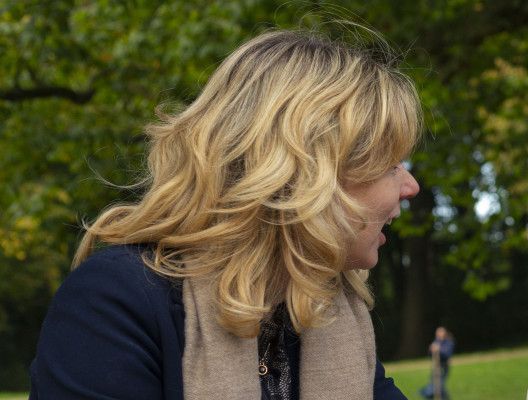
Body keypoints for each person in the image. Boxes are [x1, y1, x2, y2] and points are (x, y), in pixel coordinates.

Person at [30, 27, 420, 400]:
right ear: (310, 176)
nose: (410, 187)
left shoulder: (326, 314)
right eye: (391, 167)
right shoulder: (114, 304)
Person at [420, 326, 456, 399]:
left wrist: (439, 350)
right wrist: (431, 350)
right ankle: (429, 394)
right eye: (437, 332)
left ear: (444, 333)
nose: (438, 334)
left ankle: (443, 397)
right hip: (436, 366)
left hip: (443, 367)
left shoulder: (448, 343)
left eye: (440, 332)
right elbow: (430, 355)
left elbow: (447, 354)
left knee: (439, 385)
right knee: (433, 384)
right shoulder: (436, 342)